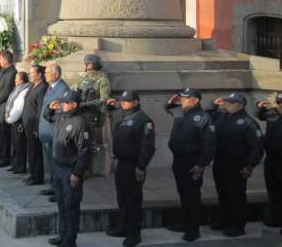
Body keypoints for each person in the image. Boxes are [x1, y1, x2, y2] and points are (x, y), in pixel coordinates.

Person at [206, 92, 263, 237]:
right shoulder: (221, 116)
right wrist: (213, 105)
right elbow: (207, 116)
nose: (228, 105)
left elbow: (256, 146)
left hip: (237, 165)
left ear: (241, 105)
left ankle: (238, 225)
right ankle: (225, 220)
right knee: (223, 193)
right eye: (227, 102)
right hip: (221, 162)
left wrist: (250, 165)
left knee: (236, 196)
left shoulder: (248, 122)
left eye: (231, 103)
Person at [105, 90, 156, 247]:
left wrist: (141, 166)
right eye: (122, 100)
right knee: (122, 197)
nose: (123, 103)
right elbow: (111, 115)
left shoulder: (144, 120)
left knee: (133, 200)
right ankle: (123, 227)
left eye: (127, 101)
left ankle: (134, 233)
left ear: (136, 102)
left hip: (134, 165)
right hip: (121, 163)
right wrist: (109, 107)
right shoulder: (121, 114)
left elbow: (147, 146)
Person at [165, 87, 216, 242]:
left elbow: (210, 144)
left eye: (185, 98)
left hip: (192, 161)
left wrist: (201, 164)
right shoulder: (181, 112)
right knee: (183, 194)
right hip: (178, 160)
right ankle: (185, 223)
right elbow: (169, 109)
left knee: (192, 196)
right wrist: (170, 103)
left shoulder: (203, 117)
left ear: (195, 100)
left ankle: (193, 229)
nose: (182, 101)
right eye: (181, 98)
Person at [44, 90, 90, 247]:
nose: (62, 105)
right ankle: (62, 235)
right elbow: (47, 116)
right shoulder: (62, 117)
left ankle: (70, 240)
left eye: (65, 103)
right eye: (62, 103)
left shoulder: (80, 123)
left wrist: (77, 172)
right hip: (58, 168)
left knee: (71, 206)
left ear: (74, 105)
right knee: (61, 204)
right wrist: (50, 108)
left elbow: (84, 151)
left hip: (70, 171)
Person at [39, 61, 69, 200]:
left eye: (47, 73)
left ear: (56, 75)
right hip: (46, 131)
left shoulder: (62, 88)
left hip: (53, 131)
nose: (44, 75)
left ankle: (60, 191)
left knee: (57, 162)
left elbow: (60, 111)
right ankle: (53, 186)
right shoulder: (50, 87)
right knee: (50, 162)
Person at [257, 94, 282, 232]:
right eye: (279, 103)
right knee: (273, 191)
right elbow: (259, 115)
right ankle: (276, 219)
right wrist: (260, 107)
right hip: (272, 159)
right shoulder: (271, 113)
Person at [77, 54, 110, 150]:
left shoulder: (102, 80)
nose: (86, 67)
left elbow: (104, 99)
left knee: (92, 142)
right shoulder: (85, 78)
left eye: (88, 64)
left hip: (93, 114)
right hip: (81, 113)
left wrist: (87, 104)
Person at [0, 51, 17, 168]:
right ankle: (0, 154)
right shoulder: (2, 71)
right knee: (0, 133)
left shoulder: (12, 73)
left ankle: (5, 158)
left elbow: (7, 91)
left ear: (6, 60)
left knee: (5, 134)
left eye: (1, 59)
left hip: (4, 106)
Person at [22, 64, 47, 185]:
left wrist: (37, 127)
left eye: (32, 73)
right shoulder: (32, 85)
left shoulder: (42, 87)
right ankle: (31, 172)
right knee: (31, 149)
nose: (30, 75)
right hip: (28, 123)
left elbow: (40, 109)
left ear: (39, 75)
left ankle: (37, 176)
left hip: (34, 124)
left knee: (36, 150)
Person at [5, 70, 31, 175]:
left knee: (19, 145)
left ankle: (20, 167)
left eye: (16, 78)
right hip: (12, 119)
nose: (14, 80)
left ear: (21, 80)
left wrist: (10, 118)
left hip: (18, 121)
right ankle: (14, 164)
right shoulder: (18, 88)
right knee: (15, 145)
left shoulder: (24, 90)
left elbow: (19, 107)